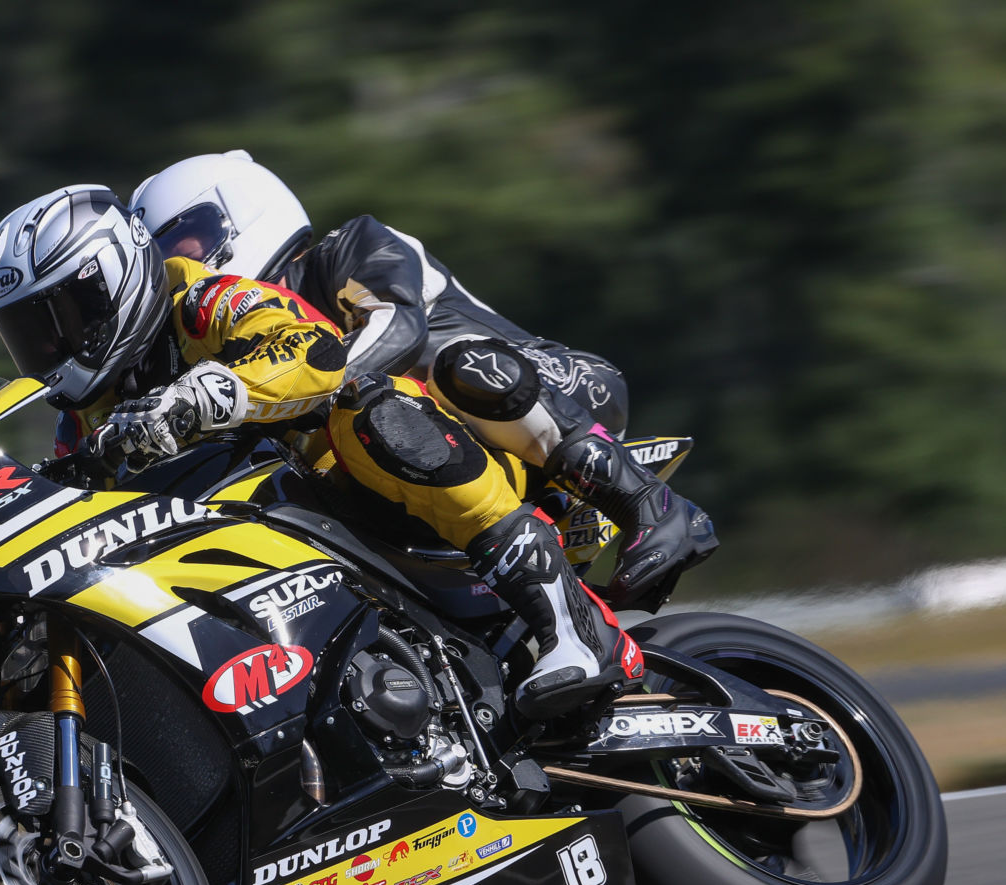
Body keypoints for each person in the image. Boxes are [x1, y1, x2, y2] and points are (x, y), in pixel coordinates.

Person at [0, 184, 639, 719]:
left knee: (369, 408)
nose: (51, 349)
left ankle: (570, 621)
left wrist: (202, 395)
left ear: (114, 278)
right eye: (29, 336)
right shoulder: (83, 419)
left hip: (379, 502)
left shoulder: (202, 301)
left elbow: (311, 352)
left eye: (62, 316)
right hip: (270, 559)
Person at [129, 151, 717, 613]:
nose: (182, 266)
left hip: (561, 386)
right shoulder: (241, 336)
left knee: (446, 364)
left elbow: (397, 330)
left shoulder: (349, 249)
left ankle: (649, 503)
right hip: (459, 457)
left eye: (184, 242)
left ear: (239, 214)